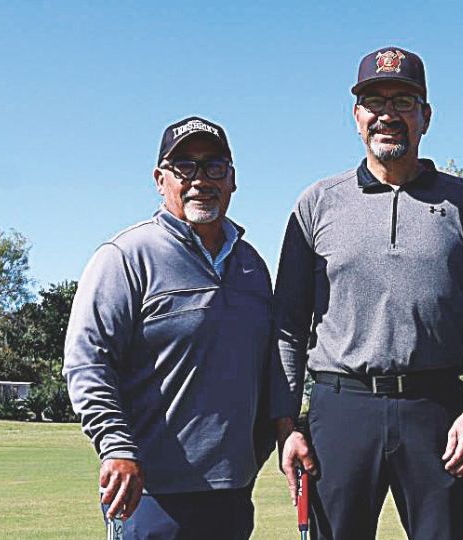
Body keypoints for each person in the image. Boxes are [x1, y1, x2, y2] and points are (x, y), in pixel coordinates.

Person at [273, 46, 463, 540]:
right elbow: (288, 326)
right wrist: (285, 424)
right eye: (375, 102)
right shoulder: (317, 204)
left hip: (437, 409)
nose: (388, 115)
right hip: (341, 407)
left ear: (426, 116)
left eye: (403, 102)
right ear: (356, 116)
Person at [63, 116, 292, 539]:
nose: (199, 179)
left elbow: (268, 366)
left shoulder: (251, 265)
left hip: (233, 495)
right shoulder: (125, 257)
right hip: (150, 494)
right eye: (184, 166)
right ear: (159, 178)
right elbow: (86, 364)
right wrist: (115, 446)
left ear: (232, 179)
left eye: (213, 166)